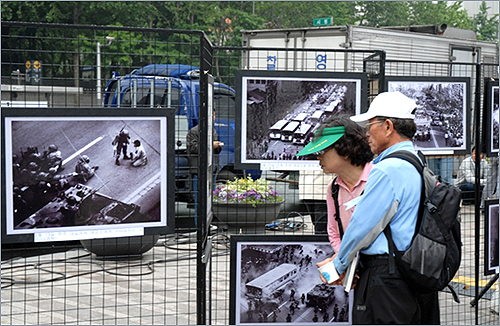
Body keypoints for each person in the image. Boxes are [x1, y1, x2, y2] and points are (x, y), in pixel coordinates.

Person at [326, 92, 425, 324]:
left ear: (388, 126)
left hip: (385, 277)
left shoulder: (387, 169)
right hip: (408, 269)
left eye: (371, 125)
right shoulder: (414, 159)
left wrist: (338, 265)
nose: (367, 133)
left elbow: (363, 226)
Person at [296, 115, 373, 254]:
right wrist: (345, 261)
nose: (318, 157)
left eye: (323, 151)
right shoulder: (334, 188)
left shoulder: (378, 178)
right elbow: (334, 233)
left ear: (345, 150)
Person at [186, 110, 223, 222]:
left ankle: (209, 224)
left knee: (211, 200)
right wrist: (211, 145)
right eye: (211, 115)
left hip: (212, 170)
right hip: (199, 171)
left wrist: (218, 146)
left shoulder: (213, 131)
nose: (214, 118)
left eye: (215, 115)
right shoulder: (193, 131)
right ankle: (200, 228)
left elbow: (215, 152)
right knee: (200, 201)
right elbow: (192, 148)